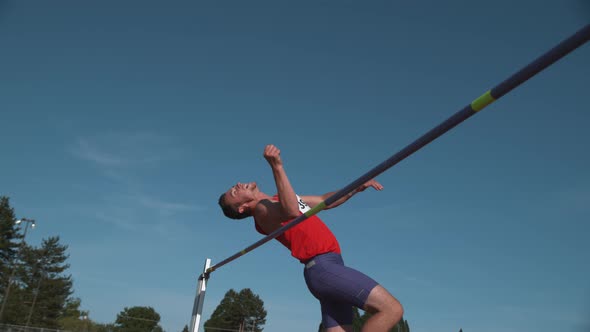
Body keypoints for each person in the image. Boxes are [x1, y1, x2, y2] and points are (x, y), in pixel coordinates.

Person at [218, 144, 403, 332]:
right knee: (391, 309)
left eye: (234, 187)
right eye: (234, 192)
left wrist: (355, 189)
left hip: (328, 269)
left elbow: (324, 201)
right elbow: (290, 211)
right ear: (241, 208)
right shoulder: (261, 211)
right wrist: (277, 166)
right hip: (324, 268)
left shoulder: (278, 199)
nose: (237, 185)